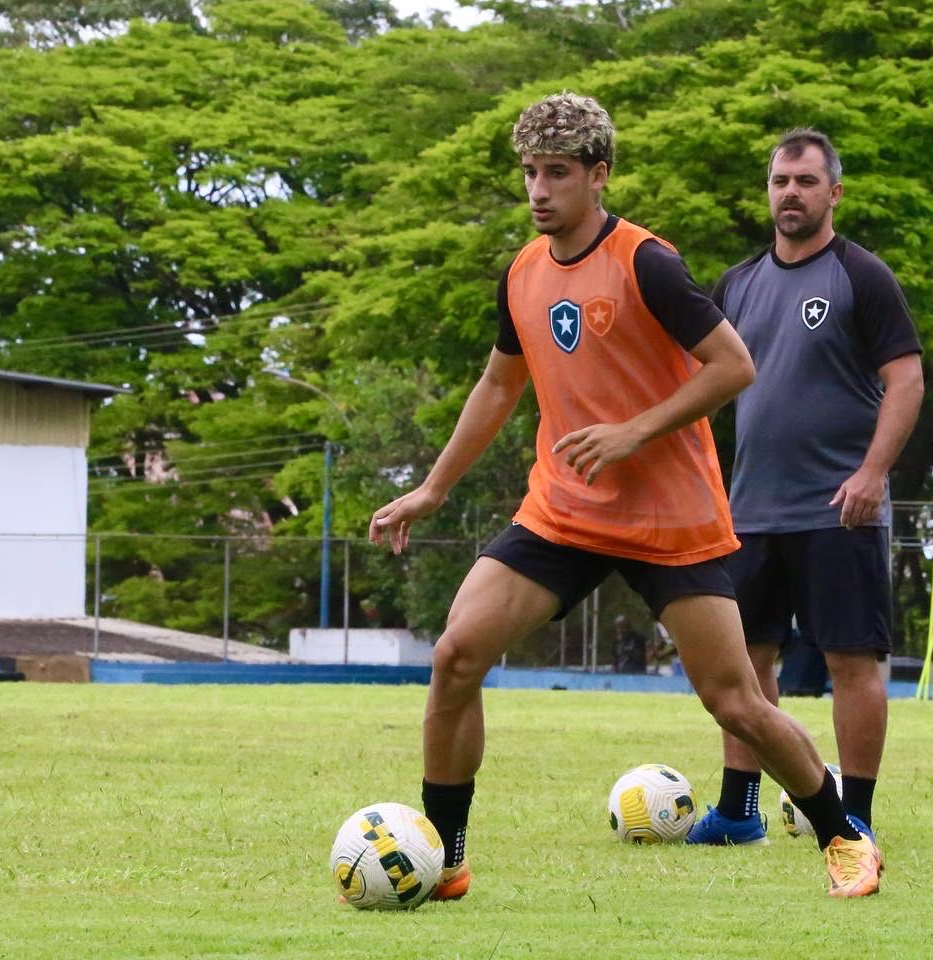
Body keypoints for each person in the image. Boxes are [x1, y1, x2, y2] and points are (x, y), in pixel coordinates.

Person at [367, 92, 881, 900]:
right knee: (456, 656)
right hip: (563, 511)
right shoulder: (523, 273)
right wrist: (431, 489)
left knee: (735, 701)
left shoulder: (648, 262)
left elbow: (733, 366)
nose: (539, 189)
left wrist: (633, 432)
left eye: (558, 173)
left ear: (598, 176)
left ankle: (843, 835)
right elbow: (500, 385)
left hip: (671, 518)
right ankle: (446, 858)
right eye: (530, 172)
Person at [686, 129, 923, 847]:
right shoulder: (736, 285)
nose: (790, 193)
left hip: (837, 513)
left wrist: (873, 473)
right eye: (780, 181)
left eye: (806, 181)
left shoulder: (862, 276)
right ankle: (738, 811)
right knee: (746, 665)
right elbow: (696, 387)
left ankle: (858, 815)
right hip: (749, 512)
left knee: (852, 662)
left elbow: (906, 380)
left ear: (834, 193)